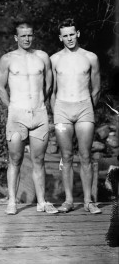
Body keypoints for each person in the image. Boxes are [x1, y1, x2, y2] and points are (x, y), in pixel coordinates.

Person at [0, 20, 58, 215]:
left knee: (39, 159)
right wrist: (11, 107)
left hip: (39, 113)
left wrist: (42, 103)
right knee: (15, 158)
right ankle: (12, 202)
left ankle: (41, 201)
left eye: (30, 35)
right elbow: (0, 86)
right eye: (23, 36)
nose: (27, 39)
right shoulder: (7, 59)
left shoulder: (42, 57)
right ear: (16, 38)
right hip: (17, 114)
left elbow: (49, 83)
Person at [50, 18, 101, 214]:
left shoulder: (91, 57)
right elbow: (51, 91)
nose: (69, 38)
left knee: (86, 155)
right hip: (62, 108)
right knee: (66, 156)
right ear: (60, 37)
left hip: (84, 108)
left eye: (72, 34)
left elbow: (96, 88)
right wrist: (56, 111)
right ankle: (69, 200)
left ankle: (88, 201)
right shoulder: (54, 59)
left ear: (77, 34)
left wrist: (88, 107)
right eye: (66, 35)